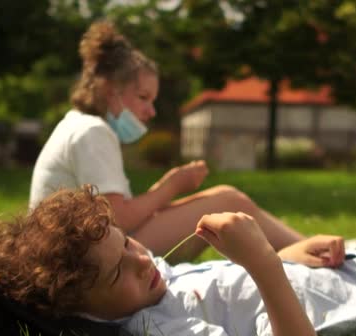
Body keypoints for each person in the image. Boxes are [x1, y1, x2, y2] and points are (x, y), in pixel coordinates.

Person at [0, 173, 356, 336]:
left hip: (352, 261)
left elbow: (219, 283)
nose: (144, 261)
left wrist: (287, 252)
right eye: (121, 269)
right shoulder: (162, 331)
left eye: (132, 244)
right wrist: (265, 263)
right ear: (80, 304)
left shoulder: (144, 283)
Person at [29, 21, 303, 262]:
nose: (151, 111)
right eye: (143, 97)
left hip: (80, 253)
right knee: (228, 200)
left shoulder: (80, 126)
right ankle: (312, 251)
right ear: (111, 92)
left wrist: (165, 188)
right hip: (82, 260)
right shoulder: (92, 132)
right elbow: (120, 218)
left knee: (225, 201)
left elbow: (116, 216)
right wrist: (173, 185)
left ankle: (303, 250)